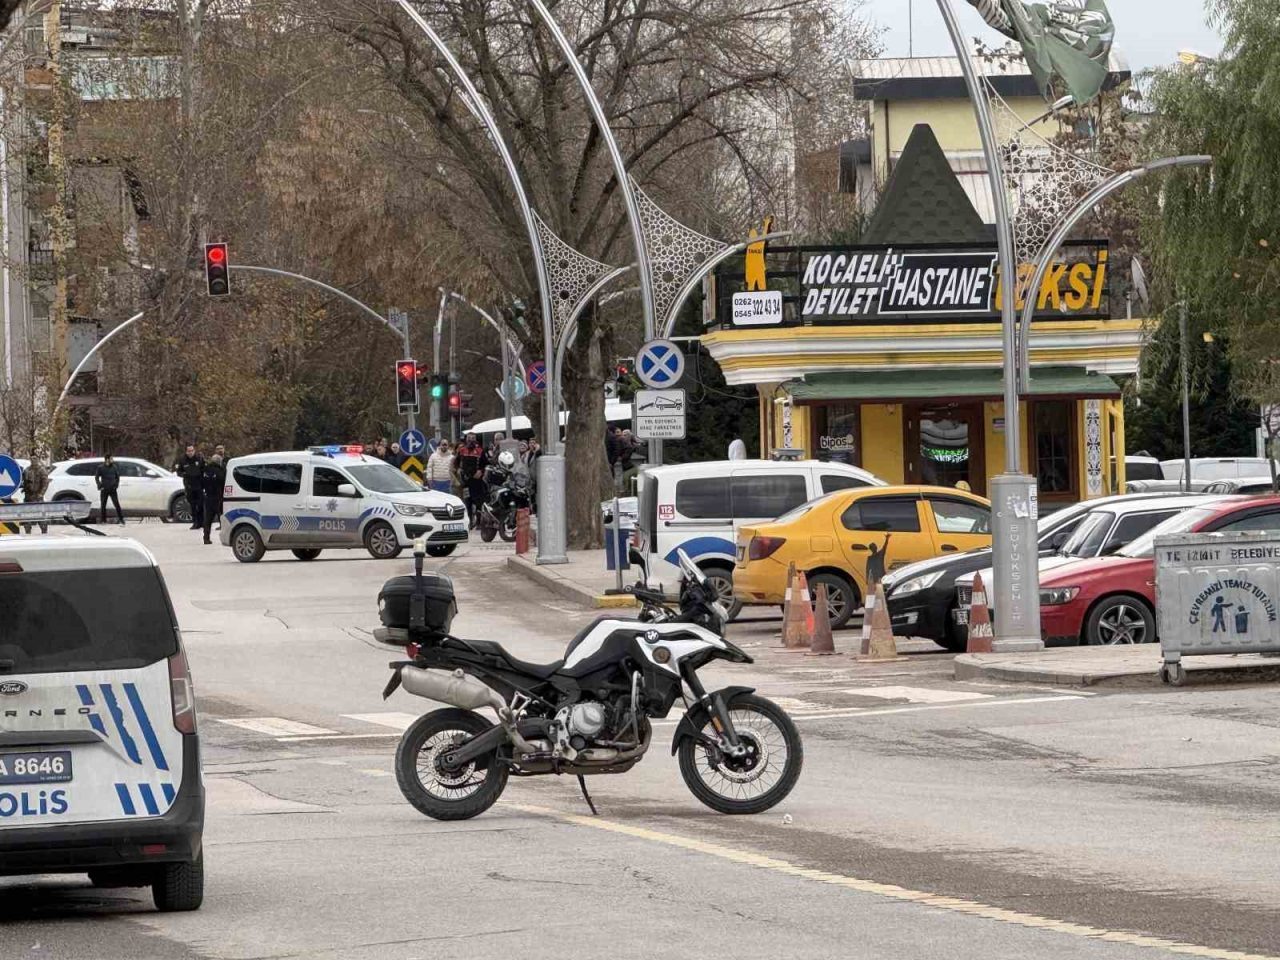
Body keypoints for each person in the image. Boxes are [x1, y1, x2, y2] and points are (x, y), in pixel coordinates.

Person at [453, 432, 488, 527]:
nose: (471, 440)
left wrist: (481, 471)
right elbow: (456, 463)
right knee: (467, 501)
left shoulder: (480, 450)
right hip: (466, 481)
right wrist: (458, 469)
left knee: (478, 502)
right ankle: (469, 522)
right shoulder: (462, 450)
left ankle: (479, 522)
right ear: (466, 439)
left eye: (473, 438)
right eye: (469, 438)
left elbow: (485, 464)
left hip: (477, 480)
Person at [174, 443, 205, 530]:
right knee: (192, 505)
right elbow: (179, 472)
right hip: (189, 485)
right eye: (189, 451)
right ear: (186, 452)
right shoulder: (183, 460)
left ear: (194, 451)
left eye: (192, 451)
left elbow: (204, 469)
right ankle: (195, 522)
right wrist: (184, 474)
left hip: (199, 485)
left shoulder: (199, 458)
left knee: (201, 504)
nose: (190, 452)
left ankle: (202, 522)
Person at [199, 453, 227, 545]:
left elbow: (201, 483)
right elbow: (224, 483)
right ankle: (225, 537)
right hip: (219, 498)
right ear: (219, 462)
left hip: (208, 497)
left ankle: (206, 538)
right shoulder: (221, 471)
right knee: (222, 519)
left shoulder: (205, 470)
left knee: (208, 520)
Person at [20, 455, 49, 534]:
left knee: (40, 515)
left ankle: (44, 531)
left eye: (35, 458)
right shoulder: (27, 470)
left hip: (37, 497)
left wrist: (41, 493)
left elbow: (45, 483)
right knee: (27, 516)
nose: (33, 460)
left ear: (38, 460)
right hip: (28, 496)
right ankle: (28, 531)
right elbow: (24, 481)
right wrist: (24, 488)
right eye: (32, 458)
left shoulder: (42, 470)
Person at [95, 454, 125, 525]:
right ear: (107, 459)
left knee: (116, 504)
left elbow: (117, 477)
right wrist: (100, 485)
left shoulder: (114, 467)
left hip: (112, 489)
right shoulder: (100, 467)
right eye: (111, 459)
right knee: (103, 505)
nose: (113, 460)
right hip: (104, 488)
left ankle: (121, 519)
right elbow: (96, 477)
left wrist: (116, 485)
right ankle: (103, 520)